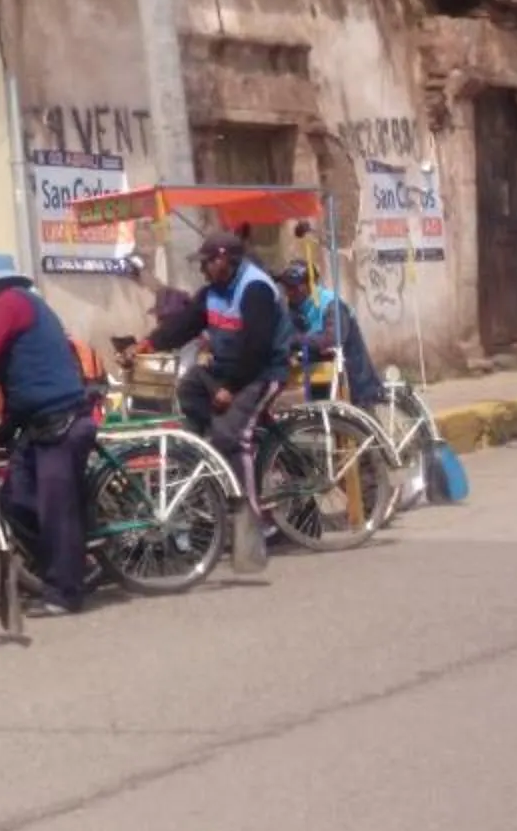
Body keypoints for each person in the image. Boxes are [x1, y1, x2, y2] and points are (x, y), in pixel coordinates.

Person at [0, 256, 97, 614]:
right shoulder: (17, 306)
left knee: (55, 509)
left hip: (61, 419)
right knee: (13, 499)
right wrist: (5, 428)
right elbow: (9, 376)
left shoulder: (11, 302)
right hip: (35, 421)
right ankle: (62, 566)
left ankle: (66, 592)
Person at [147, 231, 288, 574]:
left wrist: (230, 387)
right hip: (226, 371)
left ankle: (254, 522)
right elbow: (185, 324)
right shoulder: (212, 293)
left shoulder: (254, 288)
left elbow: (256, 349)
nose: (203, 270)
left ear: (225, 259)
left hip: (261, 373)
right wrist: (147, 345)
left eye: (207, 262)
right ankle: (213, 460)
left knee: (230, 437)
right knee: (190, 386)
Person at [280, 262, 385, 406]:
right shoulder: (296, 308)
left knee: (360, 420)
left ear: (310, 285)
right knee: (318, 412)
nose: (290, 292)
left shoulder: (331, 305)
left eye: (294, 287)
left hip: (352, 376)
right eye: (287, 288)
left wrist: (295, 340)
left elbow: (331, 339)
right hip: (319, 372)